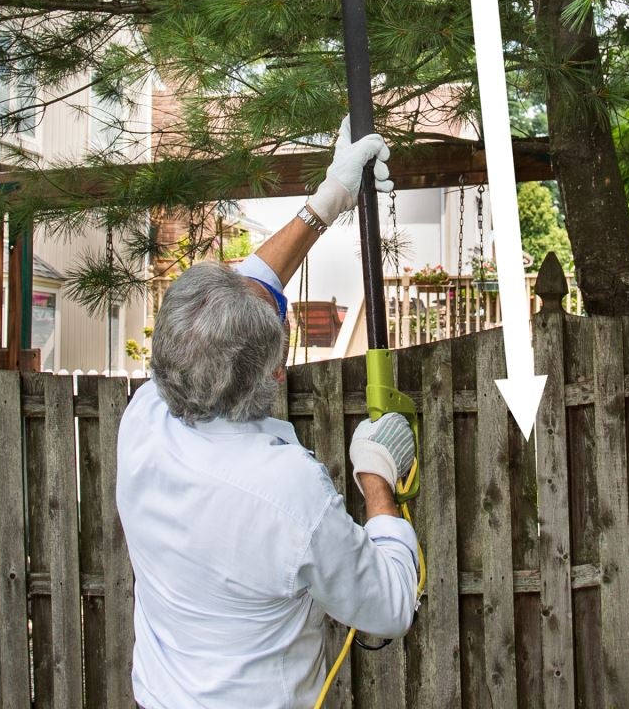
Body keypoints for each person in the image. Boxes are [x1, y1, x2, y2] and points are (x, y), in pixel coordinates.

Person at [116, 118, 422, 709]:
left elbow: (248, 285)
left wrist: (329, 197)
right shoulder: (285, 491)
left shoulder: (147, 417)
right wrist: (378, 485)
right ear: (274, 375)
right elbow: (387, 607)